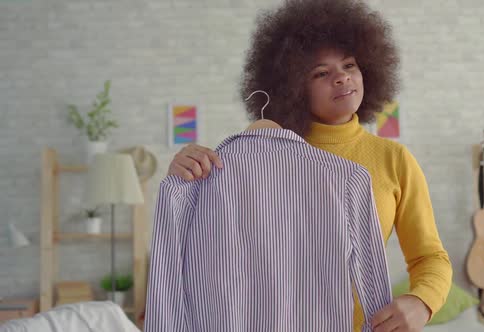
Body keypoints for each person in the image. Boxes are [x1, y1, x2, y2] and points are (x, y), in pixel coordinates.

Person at [167, 0, 452, 331]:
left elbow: (430, 258)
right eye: (321, 73)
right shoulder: (257, 160)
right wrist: (186, 176)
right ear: (293, 87)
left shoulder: (394, 160)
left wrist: (422, 302)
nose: (342, 79)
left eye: (350, 65)